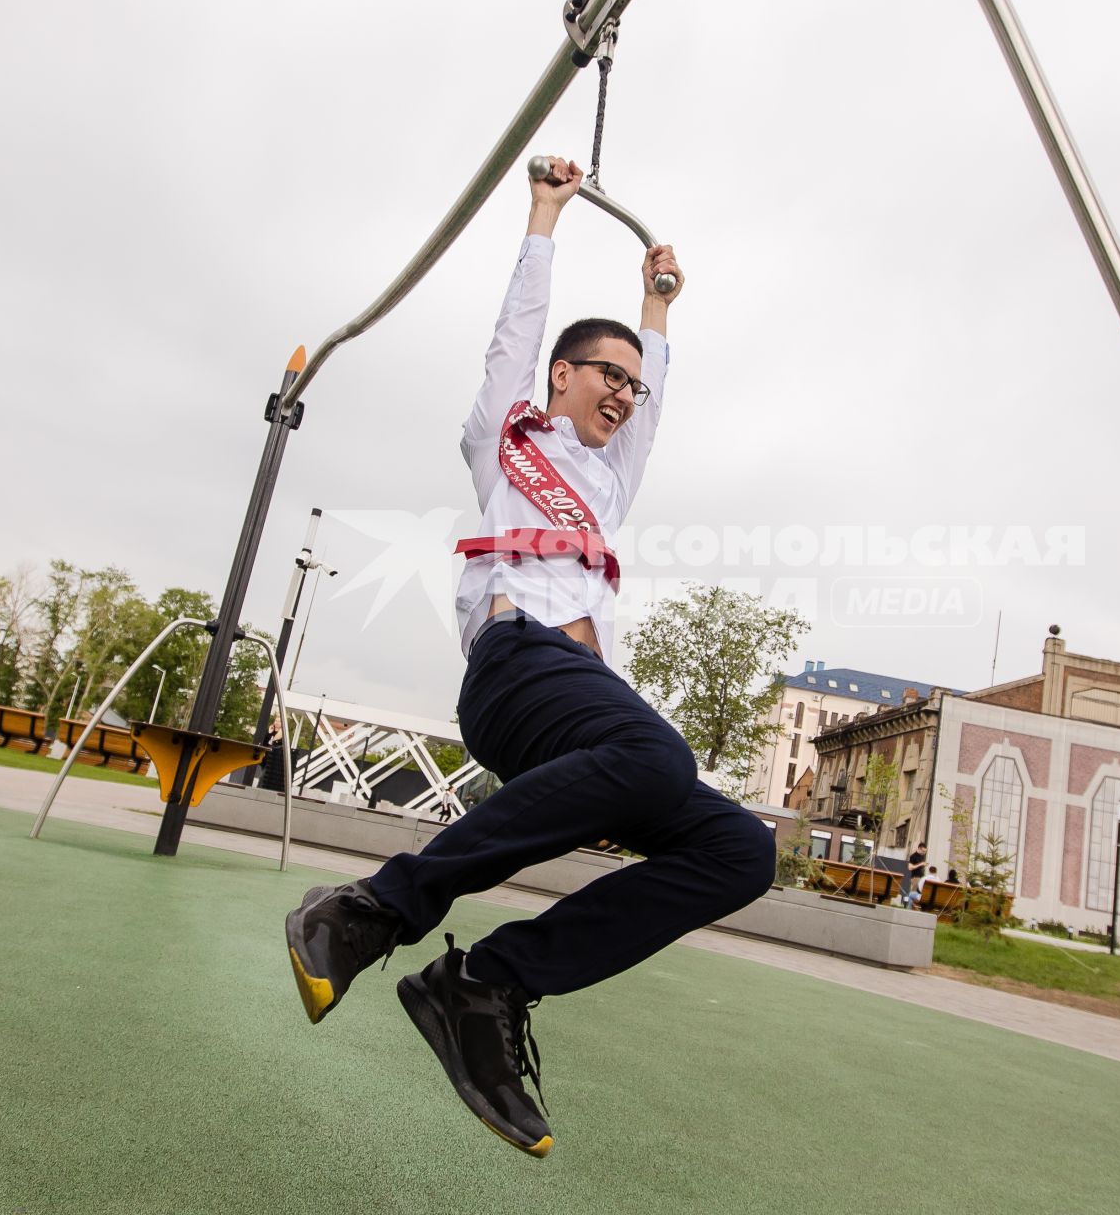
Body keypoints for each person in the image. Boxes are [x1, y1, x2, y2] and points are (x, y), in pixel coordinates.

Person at [283, 157, 775, 1158]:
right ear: (563, 375)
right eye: (611, 375)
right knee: (658, 758)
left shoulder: (611, 474)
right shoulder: (504, 437)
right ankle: (377, 907)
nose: (628, 396)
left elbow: (662, 389)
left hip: (585, 703)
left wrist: (657, 306)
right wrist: (544, 215)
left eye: (636, 386)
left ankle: (489, 983)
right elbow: (512, 337)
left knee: (740, 848)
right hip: (515, 668)